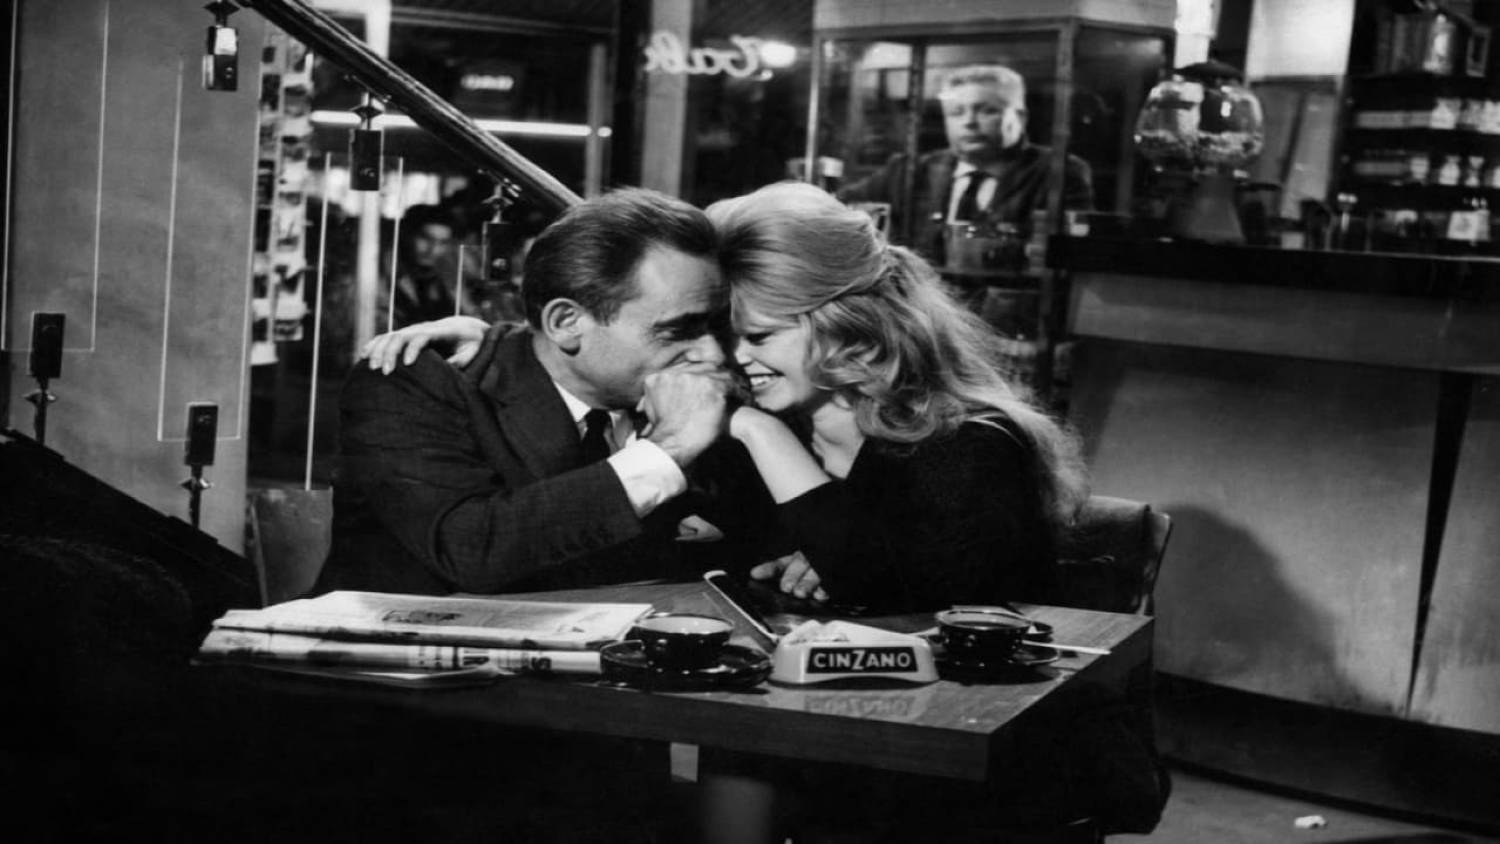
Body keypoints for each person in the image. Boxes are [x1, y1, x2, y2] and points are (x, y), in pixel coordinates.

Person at [316, 187, 742, 596]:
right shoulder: (414, 383)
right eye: (678, 329)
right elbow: (469, 547)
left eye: (715, 327)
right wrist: (667, 450)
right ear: (566, 323)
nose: (712, 352)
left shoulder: (686, 393)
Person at [838, 63, 1095, 266]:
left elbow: (1071, 257)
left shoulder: (1057, 172)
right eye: (956, 113)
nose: (969, 122)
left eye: (986, 110)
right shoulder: (909, 171)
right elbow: (834, 207)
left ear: (1020, 116)